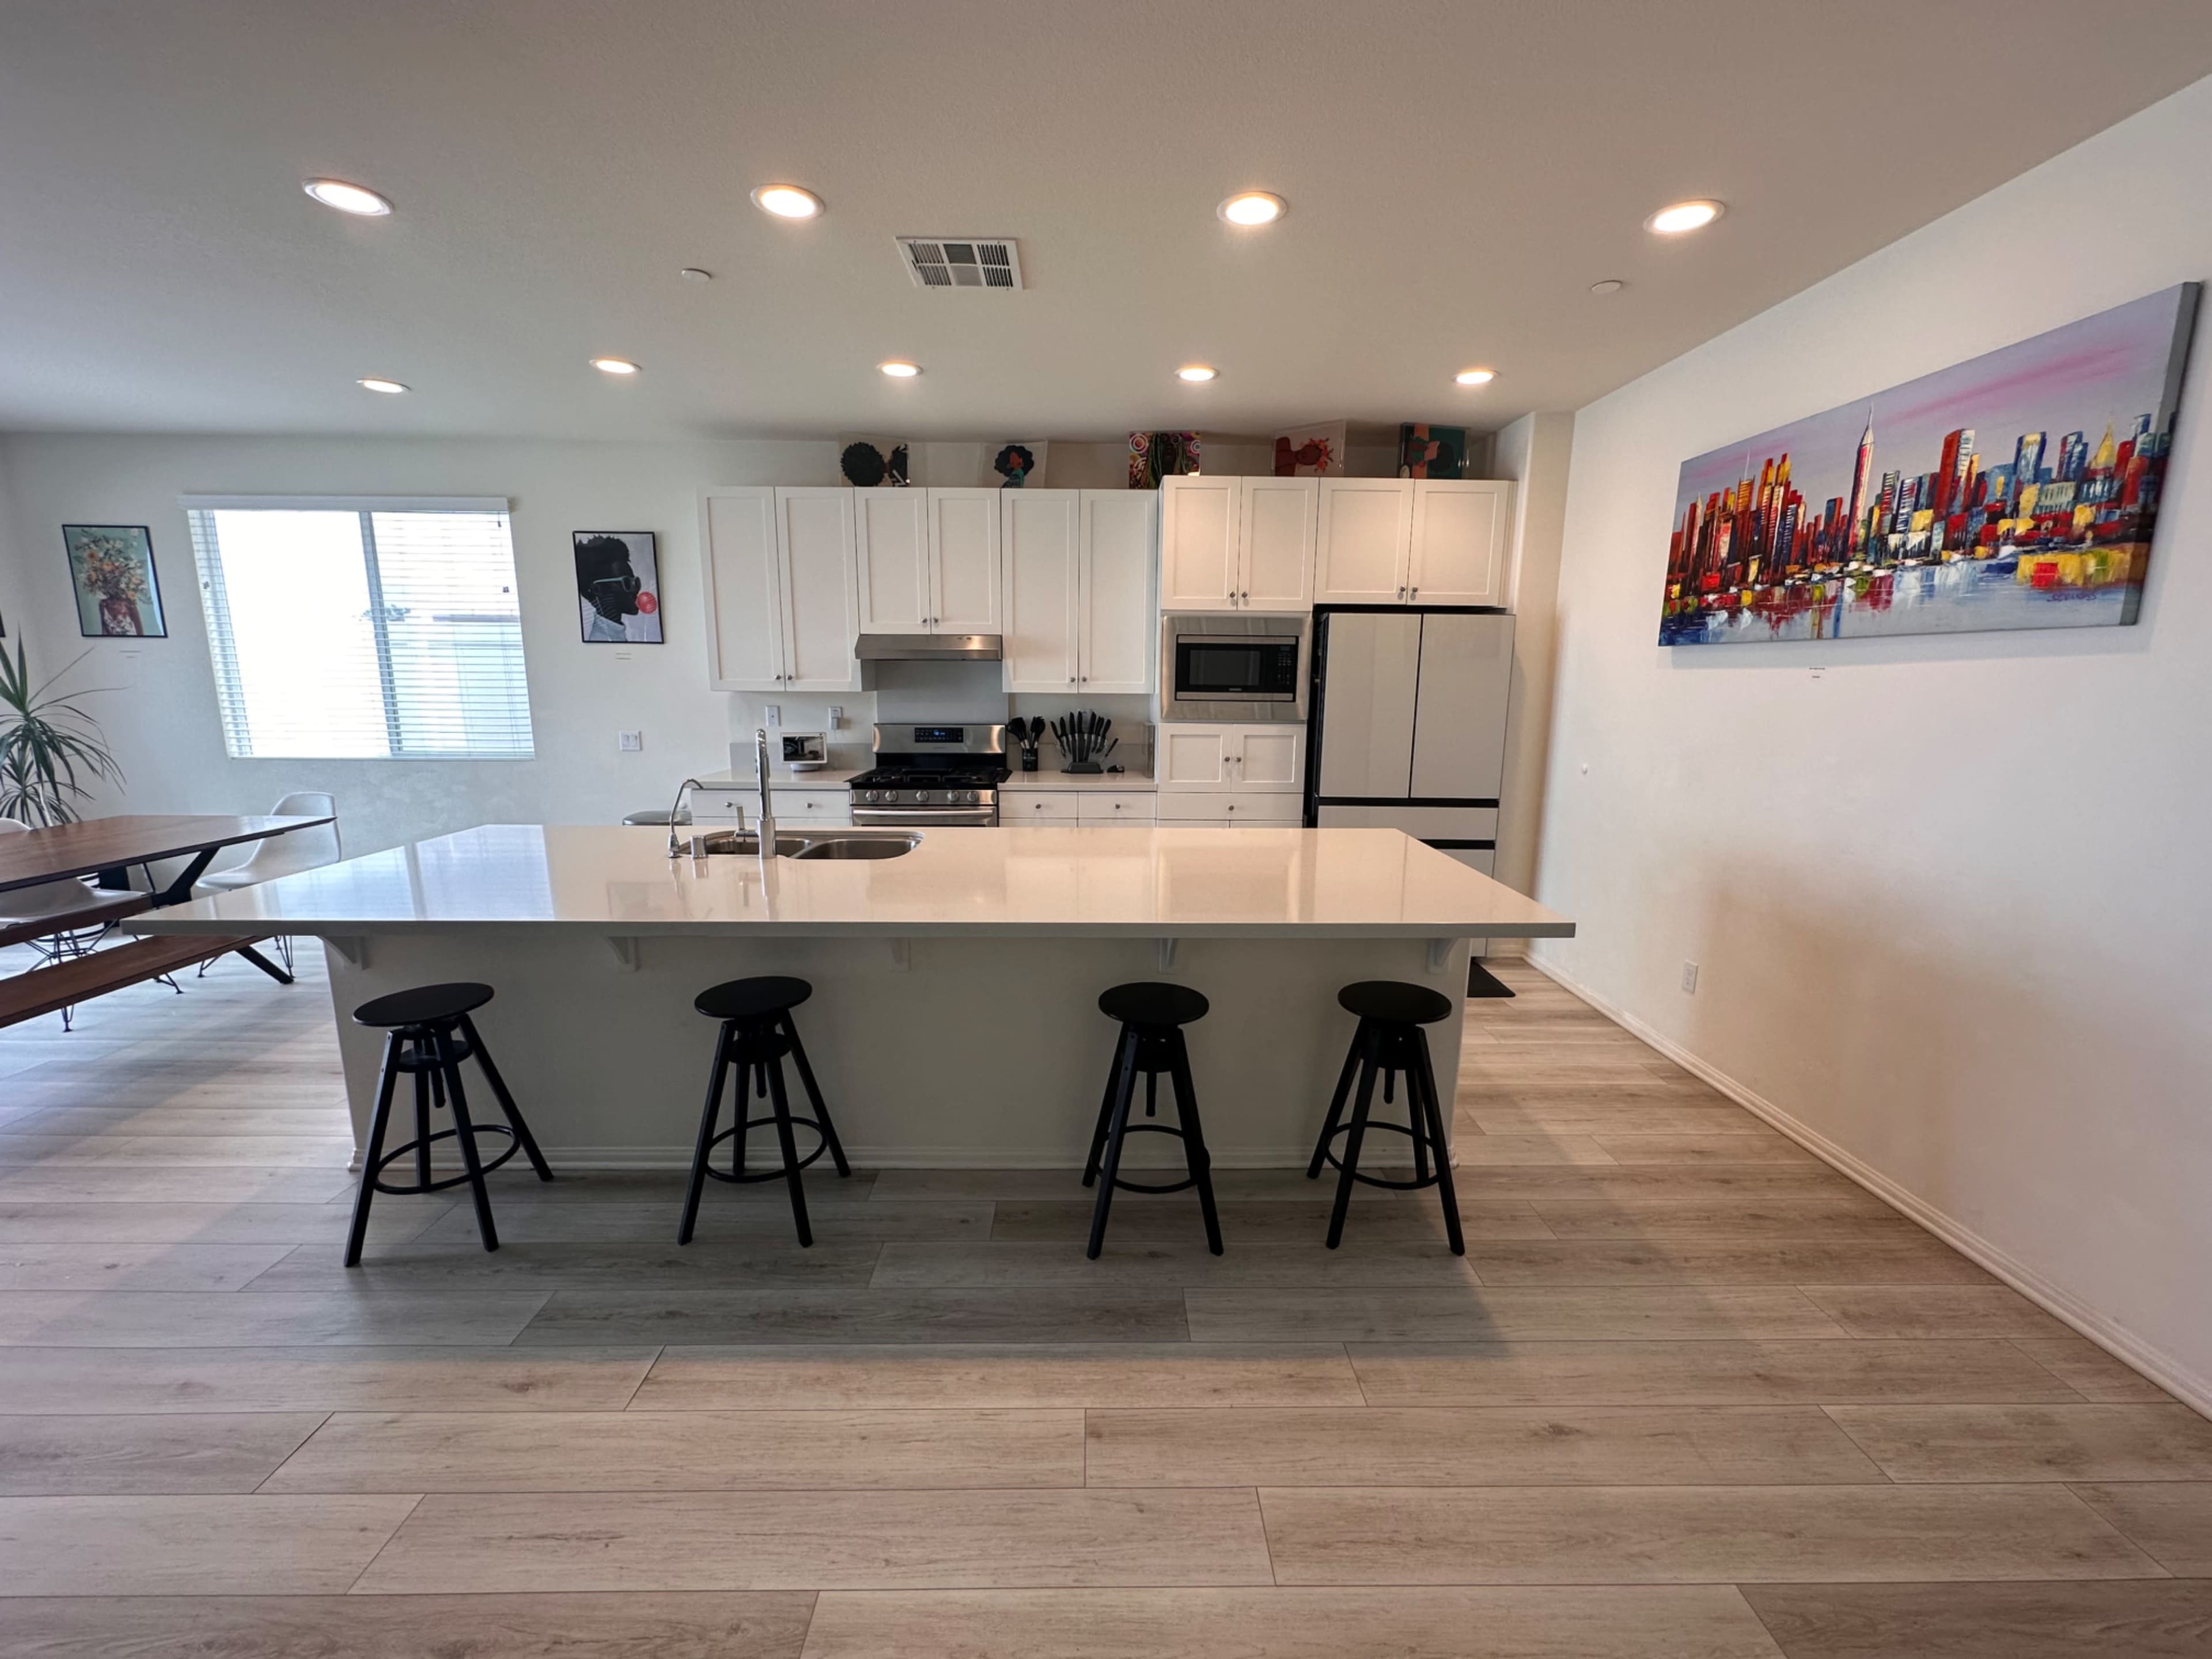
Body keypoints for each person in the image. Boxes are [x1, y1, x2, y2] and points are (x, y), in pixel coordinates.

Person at [575, 535, 642, 642]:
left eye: (636, 582)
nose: (635, 590)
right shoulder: (602, 639)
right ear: (598, 589)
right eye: (627, 583)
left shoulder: (613, 635)